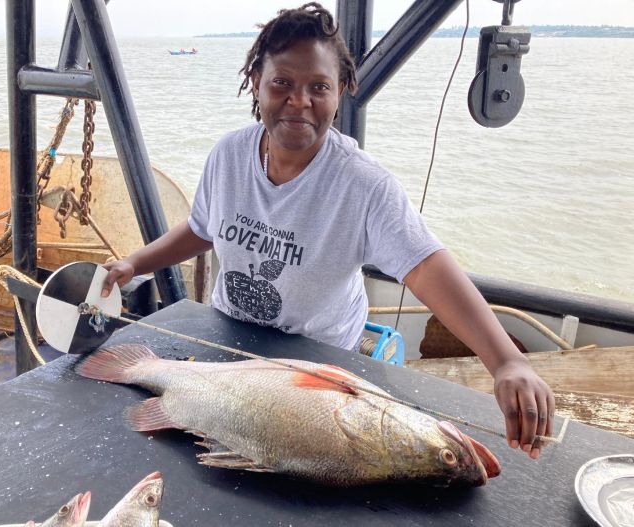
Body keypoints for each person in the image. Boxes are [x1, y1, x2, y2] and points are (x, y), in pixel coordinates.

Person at [101, 2, 554, 459]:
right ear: (256, 81)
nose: (300, 101)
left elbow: (425, 265)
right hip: (226, 339)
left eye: (319, 87)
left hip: (322, 370)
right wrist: (135, 263)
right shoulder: (229, 155)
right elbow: (203, 228)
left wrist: (506, 361)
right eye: (282, 83)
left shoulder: (362, 184)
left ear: (340, 92)